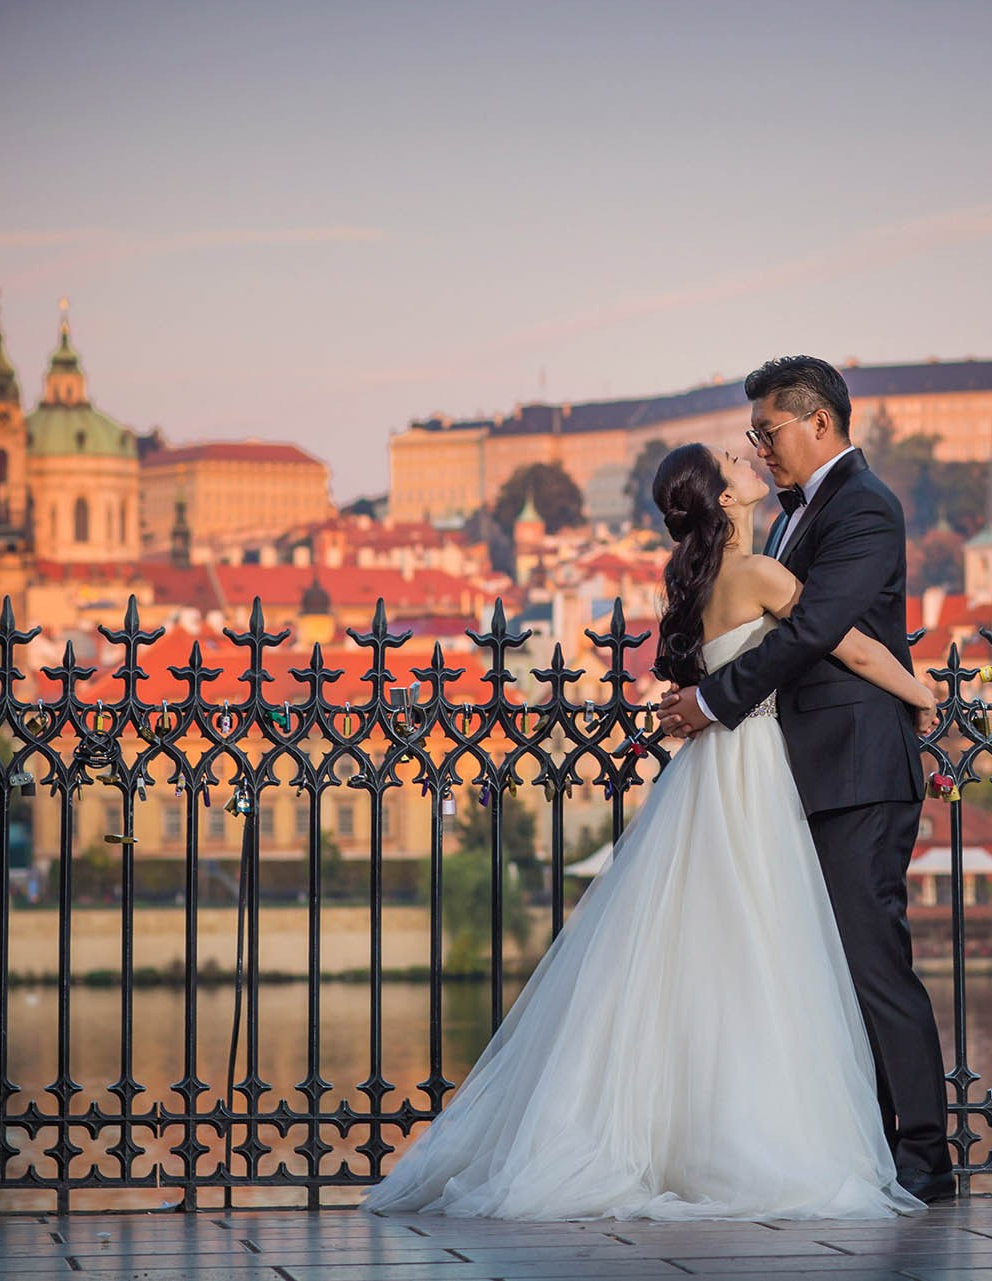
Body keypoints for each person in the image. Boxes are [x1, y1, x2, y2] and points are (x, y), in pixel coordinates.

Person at [366, 438, 937, 1220]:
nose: (752, 461)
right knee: (766, 945)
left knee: (694, 952)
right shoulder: (763, 570)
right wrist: (921, 691)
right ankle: (777, 1135)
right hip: (760, 767)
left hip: (706, 774)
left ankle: (682, 1132)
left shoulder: (698, 581)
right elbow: (850, 643)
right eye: (737, 465)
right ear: (726, 501)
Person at [658, 355, 954, 1205]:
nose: (758, 447)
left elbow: (822, 626)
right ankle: (866, 1145)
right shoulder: (787, 520)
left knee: (871, 964)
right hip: (804, 772)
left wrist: (715, 698)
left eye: (767, 430)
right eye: (751, 435)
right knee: (827, 970)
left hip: (859, 771)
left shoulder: (864, 505)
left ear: (817, 422)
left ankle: (925, 1159)